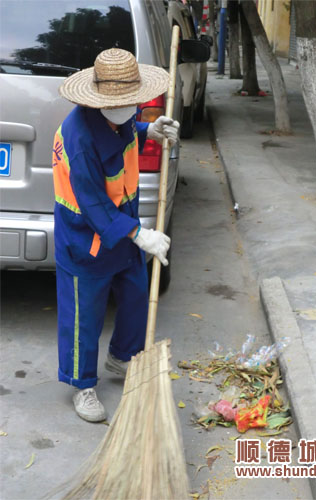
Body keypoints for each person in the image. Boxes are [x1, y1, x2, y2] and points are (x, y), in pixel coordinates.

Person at [52, 48, 179, 422]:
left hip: (120, 227)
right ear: (98, 100)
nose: (131, 108)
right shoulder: (78, 139)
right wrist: (140, 235)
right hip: (85, 239)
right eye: (127, 105)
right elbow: (92, 207)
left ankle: (122, 357)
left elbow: (125, 131)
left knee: (137, 293)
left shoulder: (117, 112)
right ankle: (82, 384)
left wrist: (149, 130)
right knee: (83, 316)